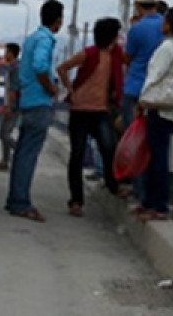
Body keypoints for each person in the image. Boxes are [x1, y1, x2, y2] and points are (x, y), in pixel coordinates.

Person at [56, 17, 124, 216]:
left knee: (109, 148)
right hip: (81, 110)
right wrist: (71, 90)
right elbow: (62, 68)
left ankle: (112, 184)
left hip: (100, 110)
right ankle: (76, 200)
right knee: (77, 155)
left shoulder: (115, 55)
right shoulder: (89, 53)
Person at [133, 7, 173, 222]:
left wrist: (142, 100)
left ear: (170, 24)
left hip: (159, 105)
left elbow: (154, 75)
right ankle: (153, 202)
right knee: (159, 152)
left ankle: (157, 203)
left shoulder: (167, 47)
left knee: (156, 155)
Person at [5, 0, 64, 222]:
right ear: (58, 21)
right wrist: (50, 88)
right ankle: (21, 202)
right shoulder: (45, 40)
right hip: (39, 101)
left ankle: (14, 198)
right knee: (29, 154)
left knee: (22, 152)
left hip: (27, 100)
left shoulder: (31, 39)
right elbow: (40, 66)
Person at [120, 0, 164, 200]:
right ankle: (152, 195)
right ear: (156, 4)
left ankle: (138, 190)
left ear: (137, 5)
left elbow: (127, 58)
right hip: (158, 93)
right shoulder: (166, 26)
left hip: (135, 88)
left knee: (135, 142)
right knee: (155, 143)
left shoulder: (136, 29)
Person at [0, 42, 21, 172]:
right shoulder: (12, 67)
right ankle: (5, 161)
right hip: (10, 105)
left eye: (6, 52)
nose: (4, 54)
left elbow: (14, 89)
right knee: (4, 133)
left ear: (11, 53)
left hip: (13, 107)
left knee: (4, 134)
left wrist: (9, 106)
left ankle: (19, 152)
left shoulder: (15, 68)